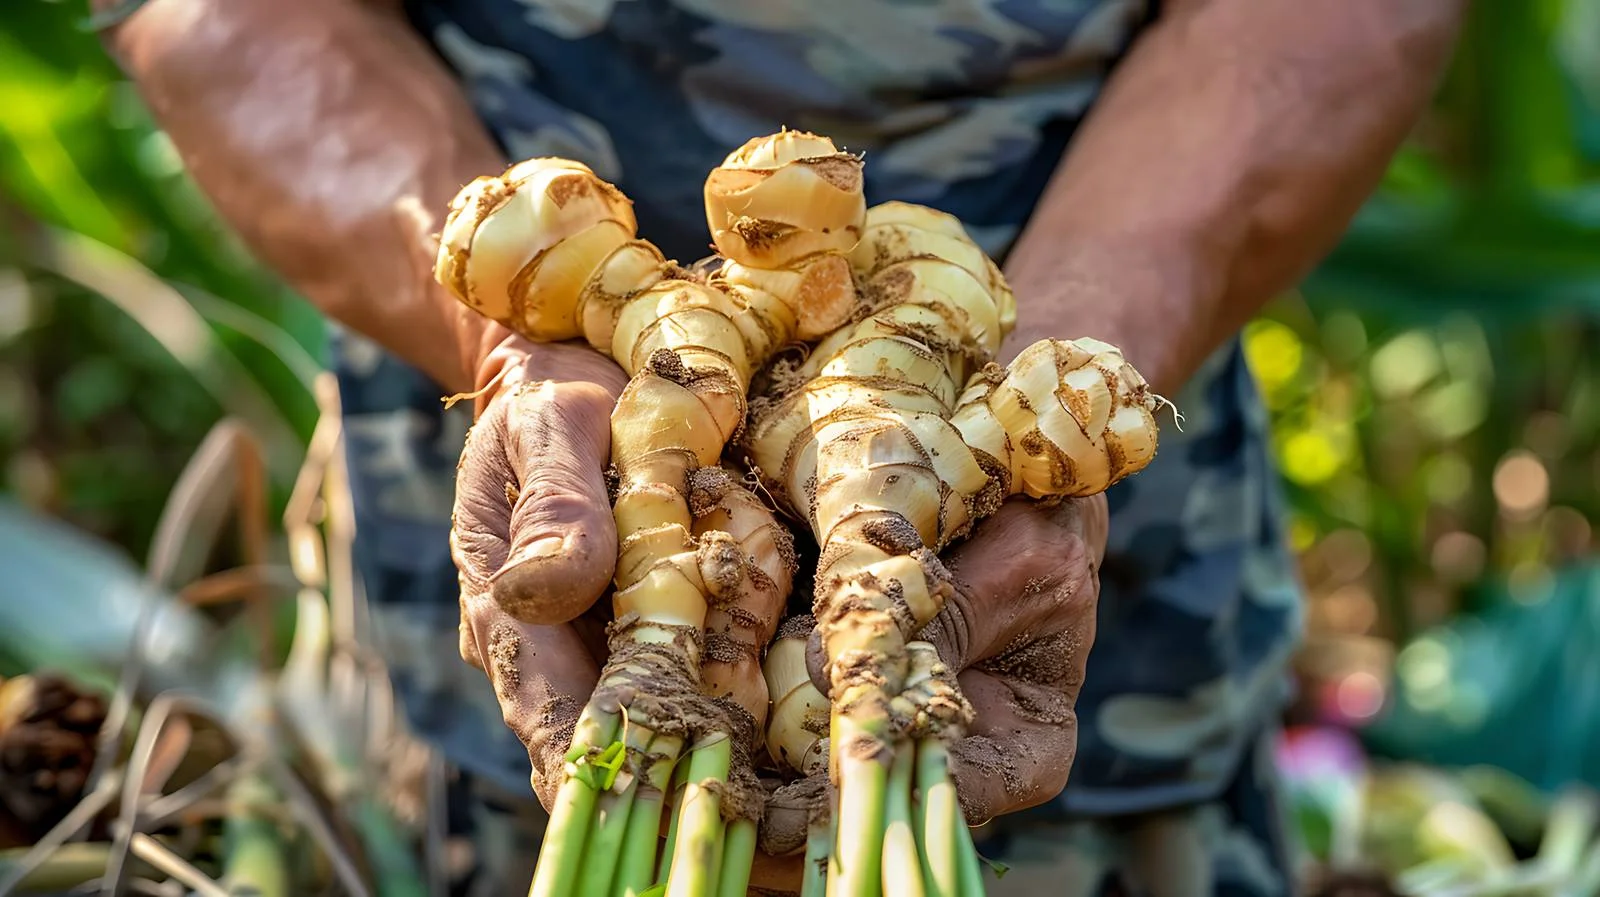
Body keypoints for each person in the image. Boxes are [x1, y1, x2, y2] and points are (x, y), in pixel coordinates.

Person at [92, 0, 1463, 892]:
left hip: (1117, 641)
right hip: (515, 626)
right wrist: (518, 347)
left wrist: (1050, 361)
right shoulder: (664, 351)